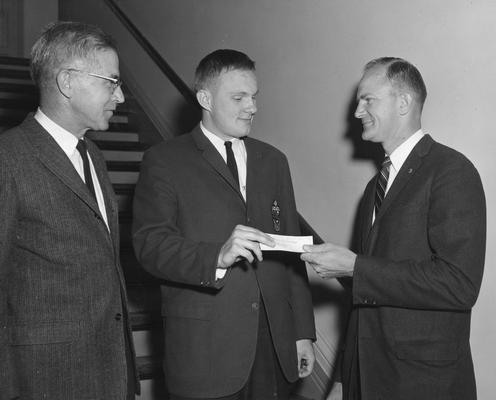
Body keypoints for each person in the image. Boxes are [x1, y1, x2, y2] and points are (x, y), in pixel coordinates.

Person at [132, 49, 316, 400]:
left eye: (254, 96)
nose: (252, 107)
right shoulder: (165, 161)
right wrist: (216, 255)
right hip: (206, 351)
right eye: (239, 97)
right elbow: (150, 246)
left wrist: (302, 332)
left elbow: (293, 252)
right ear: (205, 98)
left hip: (272, 345)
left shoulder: (274, 161)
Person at [301, 57, 486, 400]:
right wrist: (342, 377)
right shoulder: (374, 188)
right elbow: (364, 300)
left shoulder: (452, 171)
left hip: (422, 384)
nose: (357, 111)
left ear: (403, 102)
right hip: (366, 378)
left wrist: (356, 266)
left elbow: (460, 285)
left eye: (368, 99)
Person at [0, 21, 139, 400]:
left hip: (109, 369)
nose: (121, 96)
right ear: (67, 82)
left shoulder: (92, 154)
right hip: (46, 378)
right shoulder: (8, 157)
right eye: (111, 82)